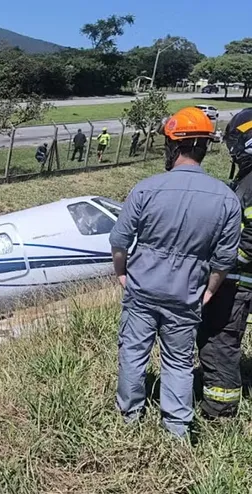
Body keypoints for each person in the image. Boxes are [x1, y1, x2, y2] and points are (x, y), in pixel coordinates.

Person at [109, 106, 241, 439]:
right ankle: (177, 428)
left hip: (142, 288)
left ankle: (129, 417)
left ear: (172, 145)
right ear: (204, 147)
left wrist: (123, 274)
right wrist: (208, 291)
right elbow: (223, 260)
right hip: (187, 294)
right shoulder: (226, 199)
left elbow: (120, 241)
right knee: (178, 362)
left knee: (133, 353)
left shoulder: (146, 188)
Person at [197, 108, 252, 419]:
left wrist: (226, 266)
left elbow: (250, 239)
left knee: (220, 341)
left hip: (239, 281)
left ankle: (219, 412)